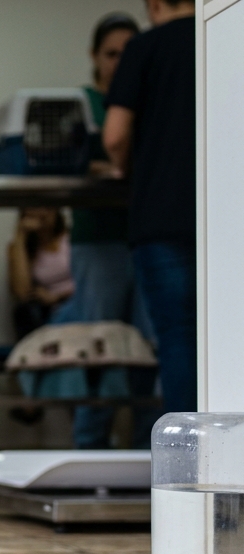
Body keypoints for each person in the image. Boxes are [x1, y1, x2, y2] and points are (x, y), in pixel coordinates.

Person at [61, 12, 158, 448]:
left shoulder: (153, 99)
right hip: (98, 238)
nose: (120, 62)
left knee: (148, 353)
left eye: (128, 53)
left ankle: (149, 453)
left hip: (145, 235)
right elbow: (67, 162)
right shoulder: (83, 104)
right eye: (111, 54)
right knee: (98, 351)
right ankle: (89, 447)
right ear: (94, 58)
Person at [104, 0, 197, 413]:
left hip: (160, 216)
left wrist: (123, 167)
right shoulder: (226, 40)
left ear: (155, 4)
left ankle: (190, 464)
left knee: (177, 339)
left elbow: (114, 136)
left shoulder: (145, 47)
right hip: (224, 218)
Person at [8, 207, 74, 340]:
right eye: (35, 207)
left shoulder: (72, 238)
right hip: (54, 312)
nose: (41, 212)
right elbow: (22, 292)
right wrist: (21, 235)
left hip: (80, 299)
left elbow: (91, 280)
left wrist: (58, 297)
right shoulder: (21, 249)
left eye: (46, 207)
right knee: (24, 312)